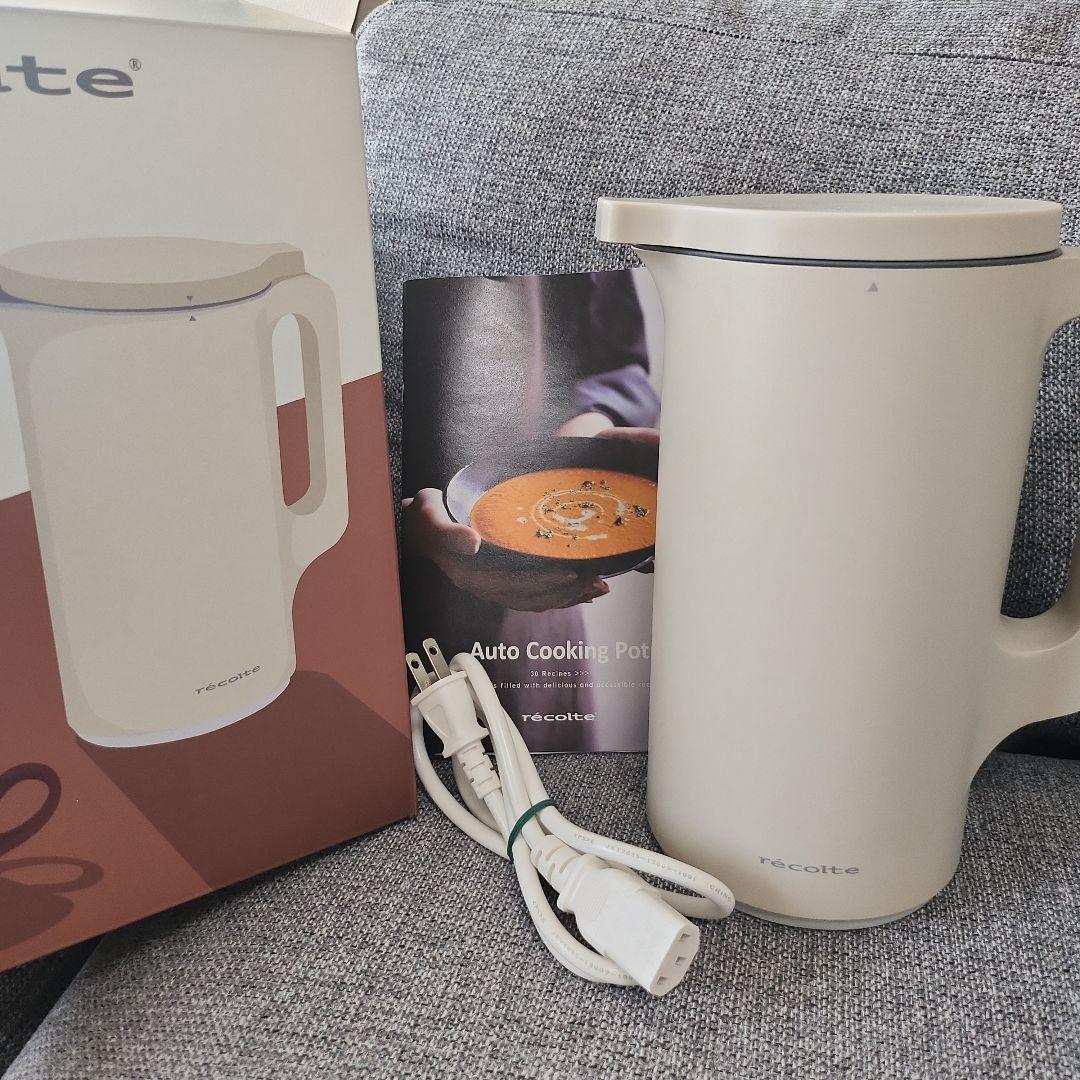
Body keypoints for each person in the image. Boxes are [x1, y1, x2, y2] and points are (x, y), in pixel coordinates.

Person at [401, 271, 658, 750]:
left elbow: (614, 362)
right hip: (384, 610)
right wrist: (400, 525)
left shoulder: (578, 231)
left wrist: (585, 439)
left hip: (541, 611)